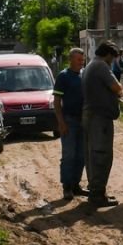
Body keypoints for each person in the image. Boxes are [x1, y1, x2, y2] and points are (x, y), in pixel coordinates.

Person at [82, 40, 123, 208]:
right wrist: (121, 91)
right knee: (101, 156)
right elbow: (117, 87)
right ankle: (97, 195)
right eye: (113, 57)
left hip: (91, 115)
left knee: (92, 156)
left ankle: (96, 192)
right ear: (108, 54)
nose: (114, 61)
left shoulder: (91, 65)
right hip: (100, 119)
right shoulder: (101, 66)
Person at [52, 47, 87, 201]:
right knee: (69, 155)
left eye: (83, 59)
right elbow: (57, 101)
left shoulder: (84, 75)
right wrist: (61, 122)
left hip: (84, 121)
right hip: (69, 121)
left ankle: (76, 185)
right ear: (70, 60)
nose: (81, 62)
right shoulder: (63, 77)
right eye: (78, 59)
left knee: (81, 155)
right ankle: (67, 187)